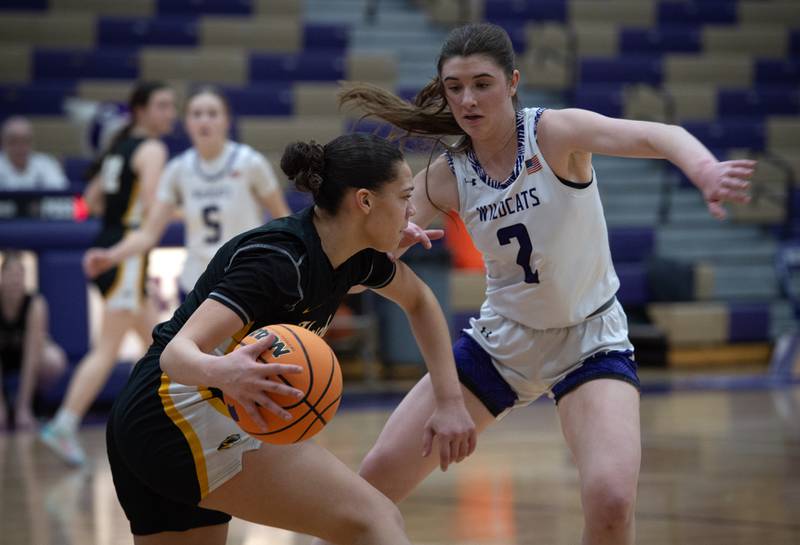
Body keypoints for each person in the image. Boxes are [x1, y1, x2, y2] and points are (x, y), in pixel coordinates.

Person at [313, 22, 755, 545]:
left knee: (613, 500)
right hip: (504, 341)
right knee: (377, 479)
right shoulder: (445, 175)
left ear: (513, 82)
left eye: (482, 83)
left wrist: (704, 170)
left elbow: (656, 135)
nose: (467, 99)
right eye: (454, 87)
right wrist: (384, 247)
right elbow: (359, 276)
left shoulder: (554, 134)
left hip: (591, 338)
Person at [105, 133, 476, 544]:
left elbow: (420, 301)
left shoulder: (354, 256)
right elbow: (177, 353)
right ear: (365, 202)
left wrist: (450, 401)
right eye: (405, 196)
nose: (412, 211)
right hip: (178, 411)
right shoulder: (279, 262)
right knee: (375, 520)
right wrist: (225, 371)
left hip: (146, 420)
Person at [39, 81, 177, 465]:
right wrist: (185, 210)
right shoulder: (152, 148)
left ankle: (158, 423)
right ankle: (64, 424)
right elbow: (154, 206)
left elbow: (90, 200)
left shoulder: (117, 146)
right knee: (109, 349)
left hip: (112, 244)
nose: (171, 113)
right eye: (163, 105)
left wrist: (116, 219)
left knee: (161, 344)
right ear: (141, 110)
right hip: (126, 255)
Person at [83, 86, 291, 302]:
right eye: (196, 114)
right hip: (196, 283)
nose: (204, 120)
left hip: (247, 279)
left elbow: (282, 219)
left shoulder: (250, 162)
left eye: (212, 113)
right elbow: (148, 233)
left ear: (227, 121)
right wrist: (110, 257)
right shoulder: (178, 169)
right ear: (187, 123)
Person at [0, 251, 67, 430]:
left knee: (54, 360)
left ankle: (34, 401)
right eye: (10, 275)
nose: (15, 281)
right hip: (4, 357)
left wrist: (24, 407)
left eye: (19, 276)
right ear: (1, 277)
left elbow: (32, 355)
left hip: (26, 356)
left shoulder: (35, 304)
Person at [0, 116, 68, 191]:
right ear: (3, 143)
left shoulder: (47, 163)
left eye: (25, 141)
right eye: (13, 141)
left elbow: (61, 197)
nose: (20, 147)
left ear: (32, 143)